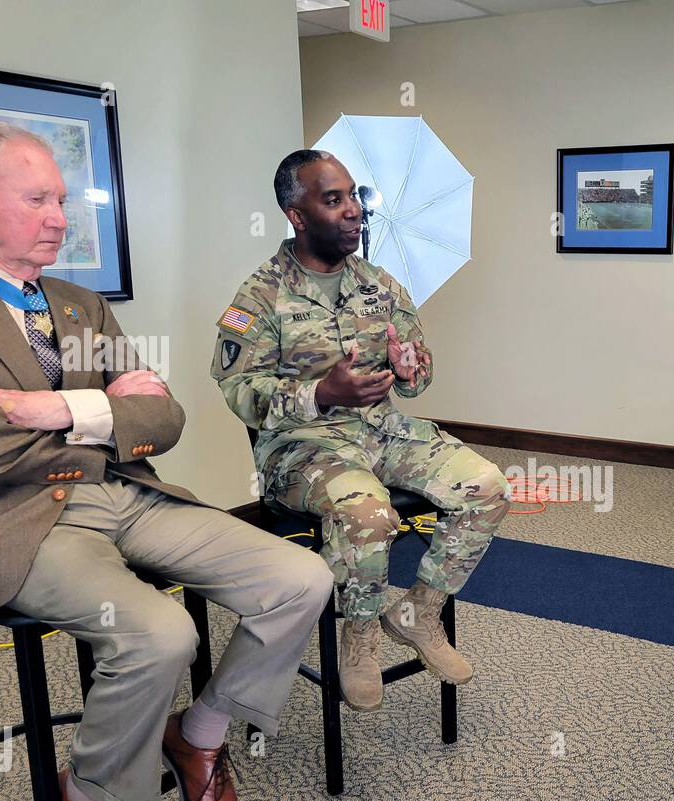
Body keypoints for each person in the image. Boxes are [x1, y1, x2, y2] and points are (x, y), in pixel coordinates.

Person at [0, 122, 334, 801]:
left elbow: (164, 420)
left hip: (124, 495)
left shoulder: (79, 304)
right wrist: (105, 413)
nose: (58, 218)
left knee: (302, 576)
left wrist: (51, 409)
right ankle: (94, 797)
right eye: (36, 198)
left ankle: (198, 736)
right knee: (160, 632)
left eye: (61, 200)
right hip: (0, 521)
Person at [212, 150, 509, 712]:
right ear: (296, 215)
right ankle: (360, 636)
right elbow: (238, 391)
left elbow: (420, 377)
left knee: (488, 487)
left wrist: (407, 365)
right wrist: (322, 393)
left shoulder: (379, 284)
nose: (353, 212)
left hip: (382, 432)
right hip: (304, 449)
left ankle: (418, 612)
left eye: (354, 197)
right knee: (370, 515)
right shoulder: (261, 297)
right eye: (334, 200)